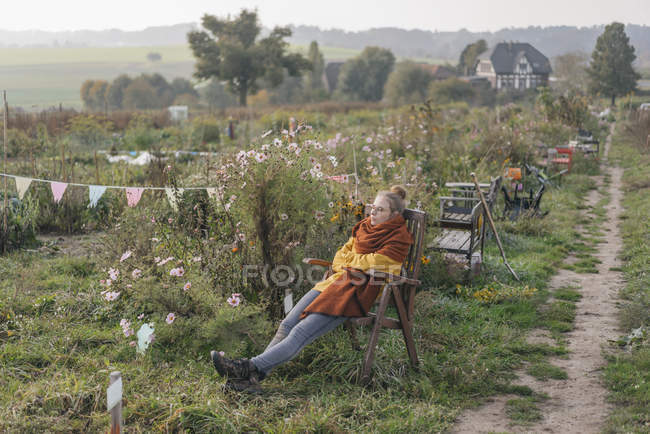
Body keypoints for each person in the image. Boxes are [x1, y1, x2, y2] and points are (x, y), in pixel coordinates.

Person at [211, 185, 414, 392]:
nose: (372, 212)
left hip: (355, 294)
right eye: (373, 206)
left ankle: (246, 367)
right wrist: (354, 262)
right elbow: (339, 257)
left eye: (380, 209)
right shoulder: (364, 227)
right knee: (287, 324)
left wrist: (351, 262)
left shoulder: (399, 238)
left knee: (299, 332)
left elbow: (376, 264)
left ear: (394, 215)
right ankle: (250, 380)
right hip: (335, 283)